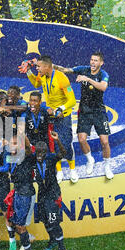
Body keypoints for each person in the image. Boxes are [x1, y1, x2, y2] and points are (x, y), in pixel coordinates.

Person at [54, 51, 114, 179]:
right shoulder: (84, 69)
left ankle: (107, 165)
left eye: (96, 60)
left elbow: (103, 87)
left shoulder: (103, 74)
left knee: (104, 141)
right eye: (92, 60)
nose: (92, 62)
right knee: (81, 139)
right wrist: (50, 65)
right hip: (84, 111)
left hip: (99, 112)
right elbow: (66, 70)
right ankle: (90, 160)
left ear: (101, 63)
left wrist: (87, 79)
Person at [23, 55, 78, 184]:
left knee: (65, 142)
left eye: (38, 66)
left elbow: (72, 100)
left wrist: (60, 109)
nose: (37, 68)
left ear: (47, 66)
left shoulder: (61, 78)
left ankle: (72, 168)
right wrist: (28, 72)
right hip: (50, 114)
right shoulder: (42, 76)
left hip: (63, 115)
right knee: (51, 143)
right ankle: (59, 170)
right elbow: (36, 83)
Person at [33, 133, 68, 250]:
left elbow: (63, 153)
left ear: (46, 153)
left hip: (53, 194)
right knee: (44, 219)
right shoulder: (32, 159)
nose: (39, 156)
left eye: (42, 153)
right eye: (38, 153)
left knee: (54, 221)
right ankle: (52, 241)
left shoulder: (51, 159)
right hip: (42, 193)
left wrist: (58, 140)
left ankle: (62, 249)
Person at [5, 133, 37, 250]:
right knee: (13, 222)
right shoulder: (11, 158)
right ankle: (28, 238)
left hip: (26, 193)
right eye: (10, 143)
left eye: (15, 143)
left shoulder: (25, 156)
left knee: (19, 225)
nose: (11, 146)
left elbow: (29, 149)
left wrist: (23, 136)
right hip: (18, 193)